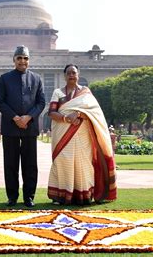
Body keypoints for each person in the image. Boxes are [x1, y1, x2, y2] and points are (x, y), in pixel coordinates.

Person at [47, 64, 117, 205]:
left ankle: (83, 195)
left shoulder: (86, 93)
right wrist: (66, 118)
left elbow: (94, 113)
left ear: (78, 74)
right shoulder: (58, 93)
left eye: (74, 72)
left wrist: (79, 113)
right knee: (62, 161)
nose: (71, 75)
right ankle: (61, 196)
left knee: (83, 162)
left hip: (82, 133)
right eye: (68, 73)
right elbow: (51, 112)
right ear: (64, 76)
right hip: (62, 133)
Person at [0, 45, 46, 208]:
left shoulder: (36, 79)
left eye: (25, 58)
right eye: (19, 58)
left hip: (30, 127)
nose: (22, 61)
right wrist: (16, 118)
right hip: (10, 127)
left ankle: (29, 196)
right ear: (14, 60)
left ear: (29, 60)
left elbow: (41, 103)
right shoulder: (5, 78)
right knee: (10, 163)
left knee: (30, 164)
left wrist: (28, 117)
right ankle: (12, 196)